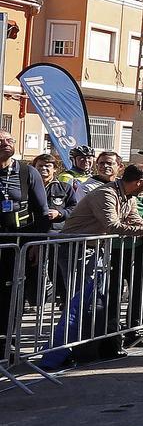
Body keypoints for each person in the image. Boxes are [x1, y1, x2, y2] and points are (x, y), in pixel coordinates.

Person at [44, 165, 143, 366]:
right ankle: (62, 352)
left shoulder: (129, 197)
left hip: (96, 249)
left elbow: (135, 221)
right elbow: (113, 226)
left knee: (95, 302)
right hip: (75, 250)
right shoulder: (105, 194)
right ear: (140, 182)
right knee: (79, 301)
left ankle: (88, 348)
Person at [0, 132, 59, 340]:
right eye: (0, 142)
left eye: (9, 140)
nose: (5, 144)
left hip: (18, 243)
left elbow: (43, 211)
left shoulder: (27, 172)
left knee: (13, 292)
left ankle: (7, 341)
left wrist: (35, 242)